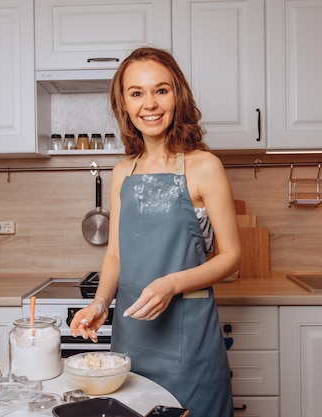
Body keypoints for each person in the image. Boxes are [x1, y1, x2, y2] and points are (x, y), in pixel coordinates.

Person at [69, 47, 241, 416]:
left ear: (178, 96)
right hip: (132, 335)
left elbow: (230, 256)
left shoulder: (204, 166)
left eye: (161, 90)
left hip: (188, 337)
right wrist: (100, 303)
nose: (150, 103)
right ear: (124, 105)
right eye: (137, 93)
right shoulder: (122, 172)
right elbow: (114, 253)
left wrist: (171, 284)